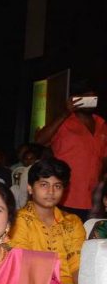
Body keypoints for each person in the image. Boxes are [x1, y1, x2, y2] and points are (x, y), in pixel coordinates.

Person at [7, 157, 86, 284]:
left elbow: (77, 266)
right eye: (44, 185)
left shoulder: (73, 223)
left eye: (57, 186)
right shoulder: (18, 220)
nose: (51, 192)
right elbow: (23, 265)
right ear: (30, 188)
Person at [35, 83, 107, 219]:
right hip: (65, 195)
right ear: (75, 99)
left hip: (94, 197)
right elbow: (40, 140)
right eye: (86, 97)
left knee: (89, 233)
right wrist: (65, 112)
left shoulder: (102, 125)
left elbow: (104, 158)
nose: (90, 101)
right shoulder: (64, 122)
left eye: (93, 98)